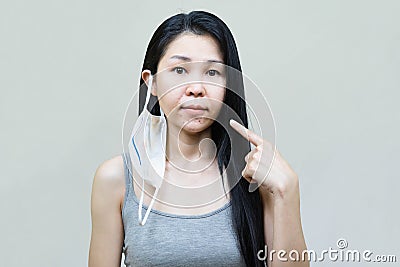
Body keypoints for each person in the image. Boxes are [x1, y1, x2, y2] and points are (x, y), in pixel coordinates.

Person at [89, 10, 309, 267]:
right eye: (179, 69)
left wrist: (287, 190)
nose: (196, 87)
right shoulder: (116, 179)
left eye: (212, 72)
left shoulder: (258, 178)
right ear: (152, 83)